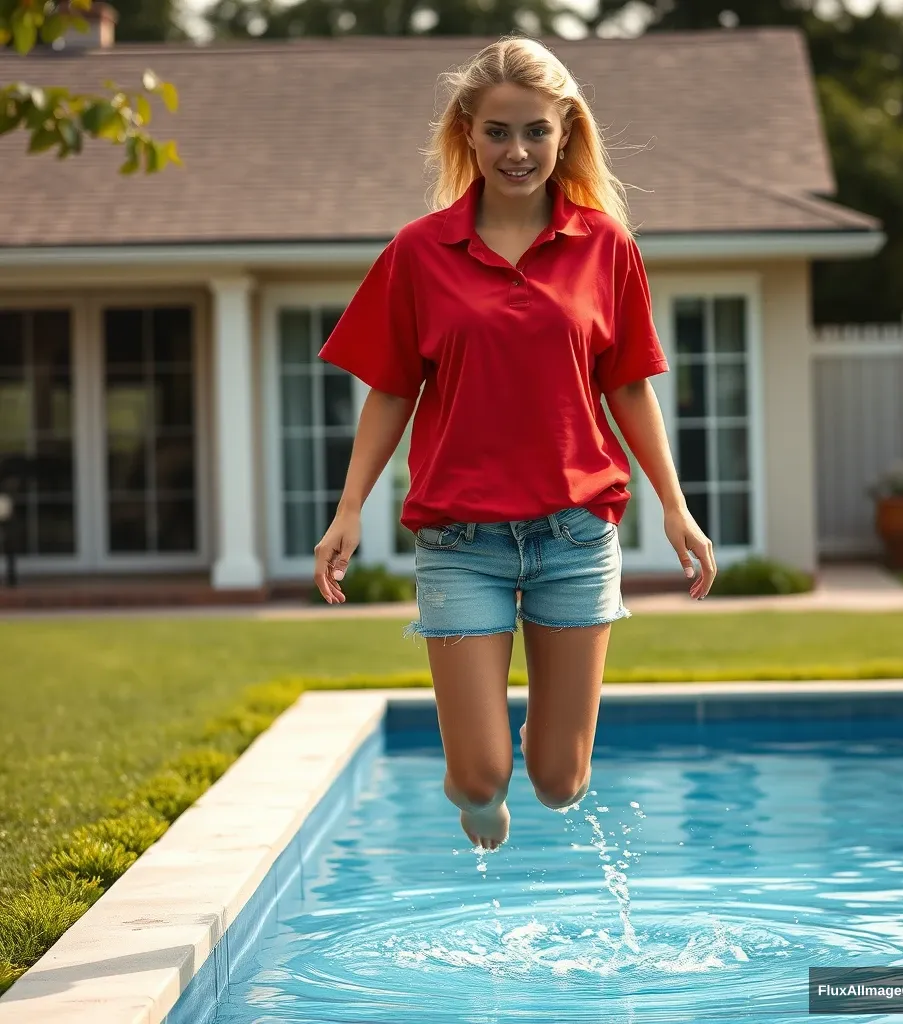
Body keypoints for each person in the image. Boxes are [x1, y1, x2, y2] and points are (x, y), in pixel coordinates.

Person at [313, 35, 716, 853]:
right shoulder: (419, 252)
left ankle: (528, 744)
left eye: (536, 130)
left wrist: (675, 506)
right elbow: (392, 389)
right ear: (467, 132)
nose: (518, 150)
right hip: (461, 539)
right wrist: (349, 507)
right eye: (498, 131)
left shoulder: (606, 248)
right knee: (477, 777)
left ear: (565, 131)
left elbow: (630, 386)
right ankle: (478, 779)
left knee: (562, 785)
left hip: (576, 535)